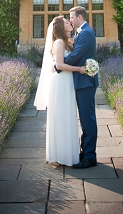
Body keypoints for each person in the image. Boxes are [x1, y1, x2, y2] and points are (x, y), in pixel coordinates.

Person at [55, 5, 99, 168]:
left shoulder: (86, 33)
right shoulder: (81, 33)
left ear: (80, 17)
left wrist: (57, 65)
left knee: (87, 119)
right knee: (86, 118)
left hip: (85, 81)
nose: (70, 20)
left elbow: (74, 57)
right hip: (82, 81)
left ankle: (89, 157)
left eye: (71, 17)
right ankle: (85, 151)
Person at [41, 16, 85, 166]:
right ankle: (60, 156)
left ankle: (66, 154)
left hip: (67, 82)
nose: (70, 23)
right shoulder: (59, 42)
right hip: (60, 83)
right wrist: (79, 69)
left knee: (67, 117)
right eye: (67, 22)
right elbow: (59, 65)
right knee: (61, 118)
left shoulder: (67, 42)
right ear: (60, 27)